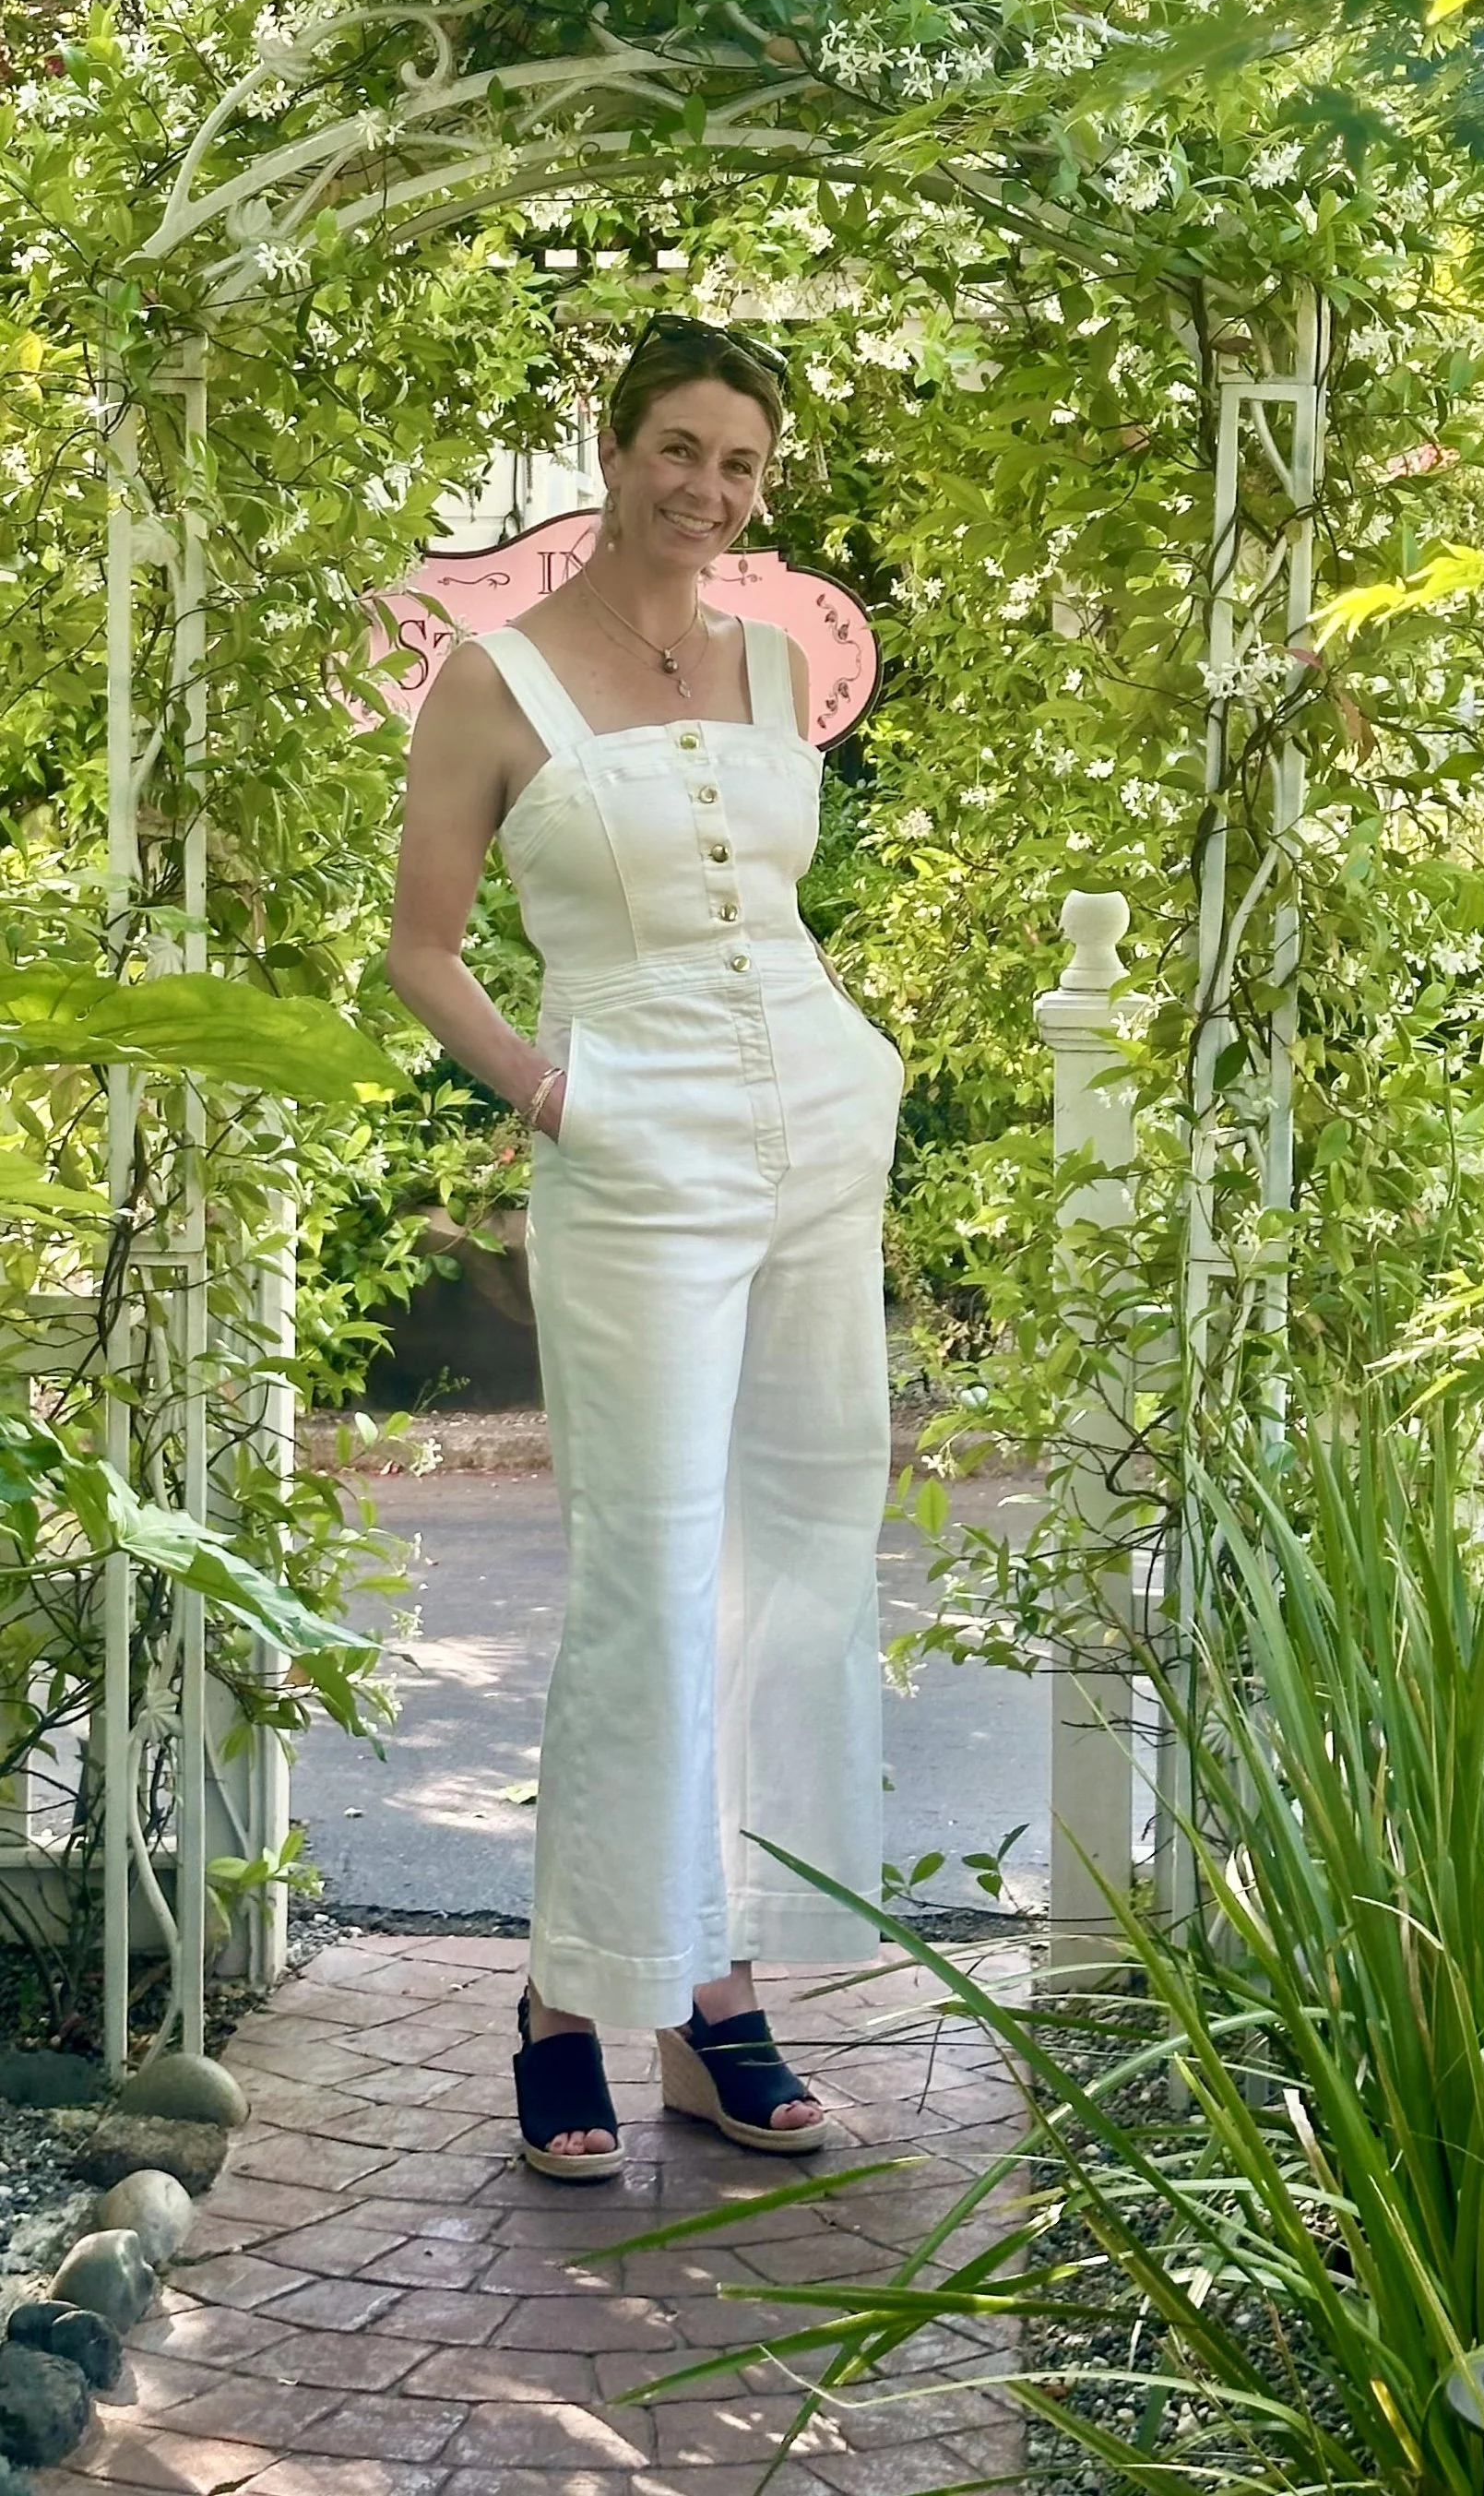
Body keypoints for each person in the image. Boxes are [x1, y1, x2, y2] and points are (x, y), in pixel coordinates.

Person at [386, 316, 904, 2176]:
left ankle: (715, 2000)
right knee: (649, 1575)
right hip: (631, 1144)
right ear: (614, 454)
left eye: (741, 464)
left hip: (816, 1134)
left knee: (799, 1553)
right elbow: (422, 948)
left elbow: (772, 908)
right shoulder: (494, 681)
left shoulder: (775, 664)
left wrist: (860, 1069)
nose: (709, 488)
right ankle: (564, 2000)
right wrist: (554, 1097)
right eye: (679, 448)